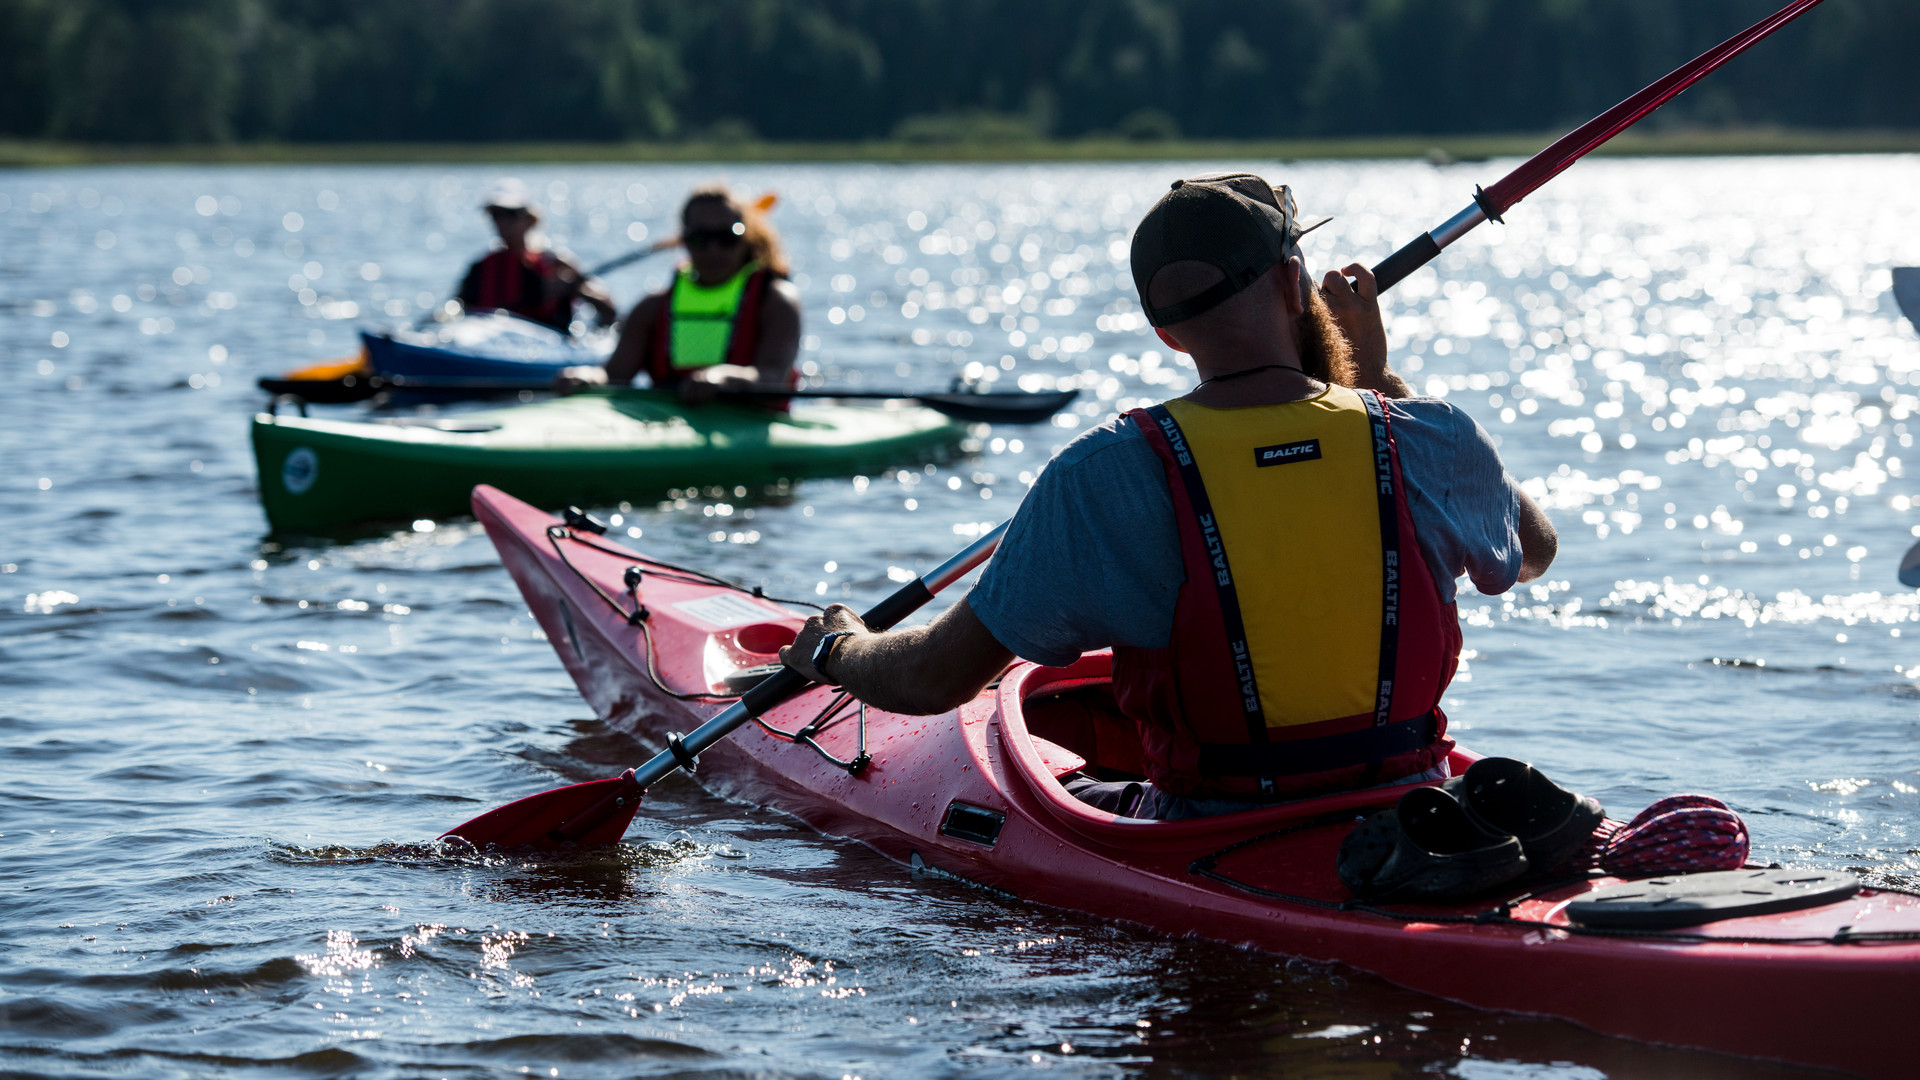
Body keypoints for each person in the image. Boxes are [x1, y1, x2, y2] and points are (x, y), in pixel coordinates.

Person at [780, 173, 1558, 820]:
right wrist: (1381, 383)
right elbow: (1533, 551)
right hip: (1411, 812)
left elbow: (931, 680)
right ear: (1294, 282)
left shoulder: (1102, 474)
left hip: (1206, 827)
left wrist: (837, 648)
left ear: (1167, 333)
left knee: (1056, 767)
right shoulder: (1428, 435)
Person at [561, 186, 802, 402]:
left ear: (745, 239)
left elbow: (772, 375)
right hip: (669, 423)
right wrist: (587, 376)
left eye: (726, 238)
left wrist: (722, 376)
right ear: (684, 241)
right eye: (700, 239)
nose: (713, 249)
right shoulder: (652, 307)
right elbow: (613, 374)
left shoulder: (777, 300)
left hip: (751, 424)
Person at [457, 179, 617, 333]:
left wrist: (575, 288)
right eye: (496, 213)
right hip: (493, 342)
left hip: (546, 343)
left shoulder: (557, 263)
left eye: (511, 214)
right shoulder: (480, 268)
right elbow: (458, 308)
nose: (503, 221)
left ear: (529, 219)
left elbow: (609, 311)